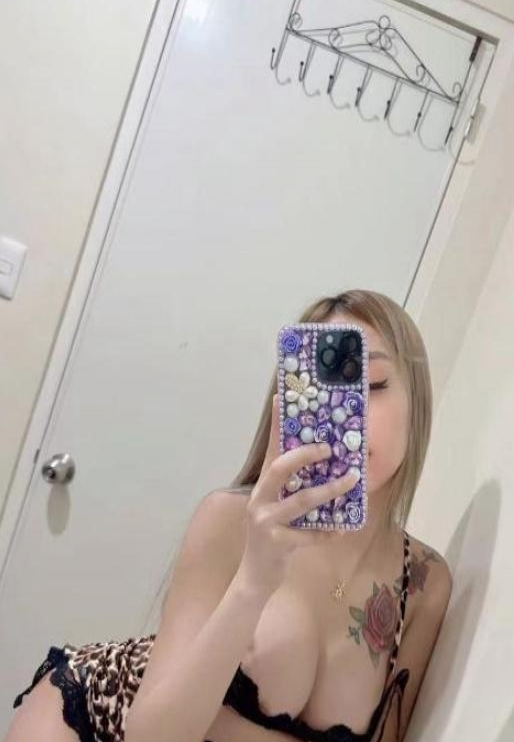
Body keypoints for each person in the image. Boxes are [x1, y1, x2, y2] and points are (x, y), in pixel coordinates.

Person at [6, 289, 453, 742]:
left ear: (416, 400)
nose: (348, 414)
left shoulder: (423, 584)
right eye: (324, 394)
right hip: (95, 719)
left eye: (372, 385)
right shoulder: (232, 519)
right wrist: (255, 579)